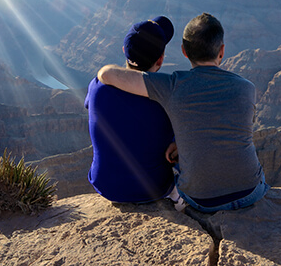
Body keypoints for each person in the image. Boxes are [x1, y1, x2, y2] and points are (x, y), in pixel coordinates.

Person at [98, 13, 269, 213]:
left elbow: (107, 75)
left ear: (184, 52)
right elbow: (229, 128)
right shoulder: (247, 88)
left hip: (201, 201)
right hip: (249, 193)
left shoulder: (171, 85)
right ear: (221, 51)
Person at [85, 16, 178, 203]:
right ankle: (179, 203)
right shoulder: (166, 98)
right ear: (160, 60)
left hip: (106, 186)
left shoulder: (96, 85)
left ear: (124, 50)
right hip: (153, 189)